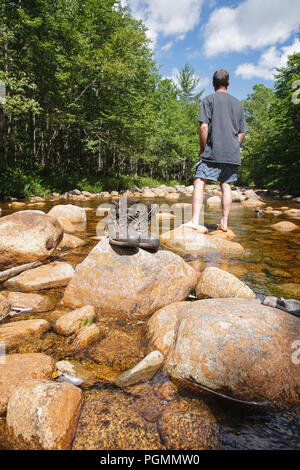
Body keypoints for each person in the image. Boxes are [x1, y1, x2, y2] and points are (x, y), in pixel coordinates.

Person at [185, 69, 248, 232]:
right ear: (228, 83)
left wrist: (202, 148)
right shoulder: (238, 104)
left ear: (213, 84)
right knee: (226, 185)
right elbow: (242, 132)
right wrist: (235, 146)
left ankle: (194, 221)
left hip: (212, 151)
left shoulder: (208, 100)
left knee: (199, 181)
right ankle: (224, 222)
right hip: (231, 153)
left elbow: (203, 126)